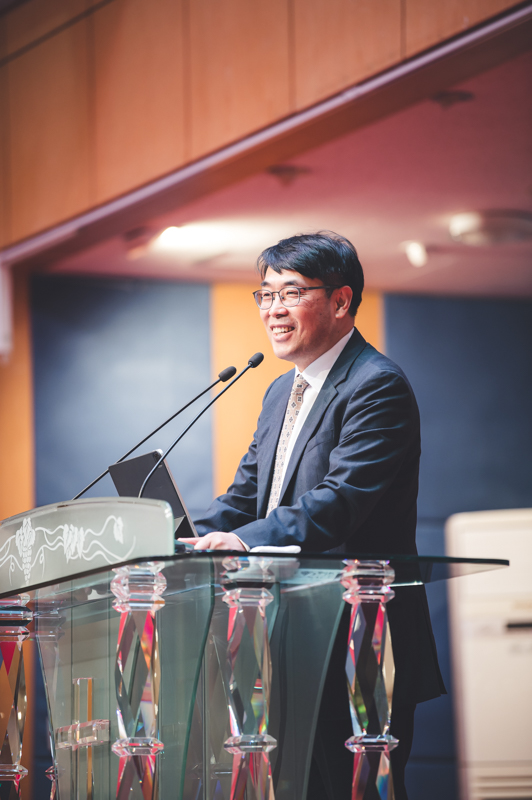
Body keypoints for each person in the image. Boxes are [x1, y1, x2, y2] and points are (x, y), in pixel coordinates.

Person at [181, 231, 445, 799]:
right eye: (266, 295)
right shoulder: (281, 390)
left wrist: (242, 542)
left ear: (341, 300)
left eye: (291, 293)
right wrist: (181, 539)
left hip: (361, 636)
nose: (273, 310)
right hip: (285, 634)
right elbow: (246, 496)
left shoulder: (377, 385)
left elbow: (338, 502)